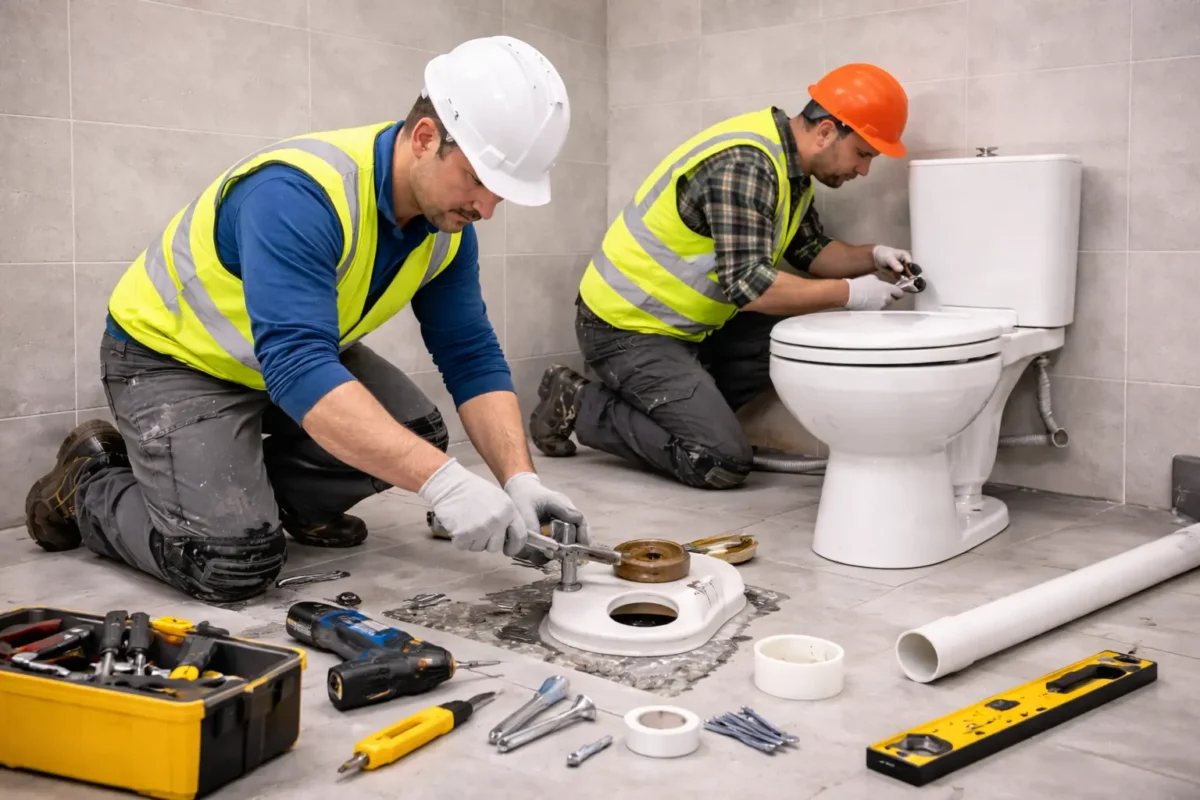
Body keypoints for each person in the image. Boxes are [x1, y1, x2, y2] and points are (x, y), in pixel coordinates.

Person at [23, 36, 589, 604]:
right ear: (424, 138)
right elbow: (299, 370)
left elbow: (470, 354)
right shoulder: (298, 193)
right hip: (173, 361)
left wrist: (519, 478)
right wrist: (443, 481)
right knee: (229, 563)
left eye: (501, 194)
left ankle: (275, 507)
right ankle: (89, 483)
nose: (486, 208)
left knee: (417, 433)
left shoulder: (446, 227)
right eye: (478, 179)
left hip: (277, 358)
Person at [529, 63, 916, 490]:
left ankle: (686, 415)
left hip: (686, 327)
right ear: (826, 132)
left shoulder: (793, 174)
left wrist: (874, 257)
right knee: (717, 460)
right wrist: (850, 294)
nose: (864, 170)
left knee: (794, 340)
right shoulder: (747, 164)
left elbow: (810, 251)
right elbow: (751, 286)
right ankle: (578, 403)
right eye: (863, 153)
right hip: (626, 326)